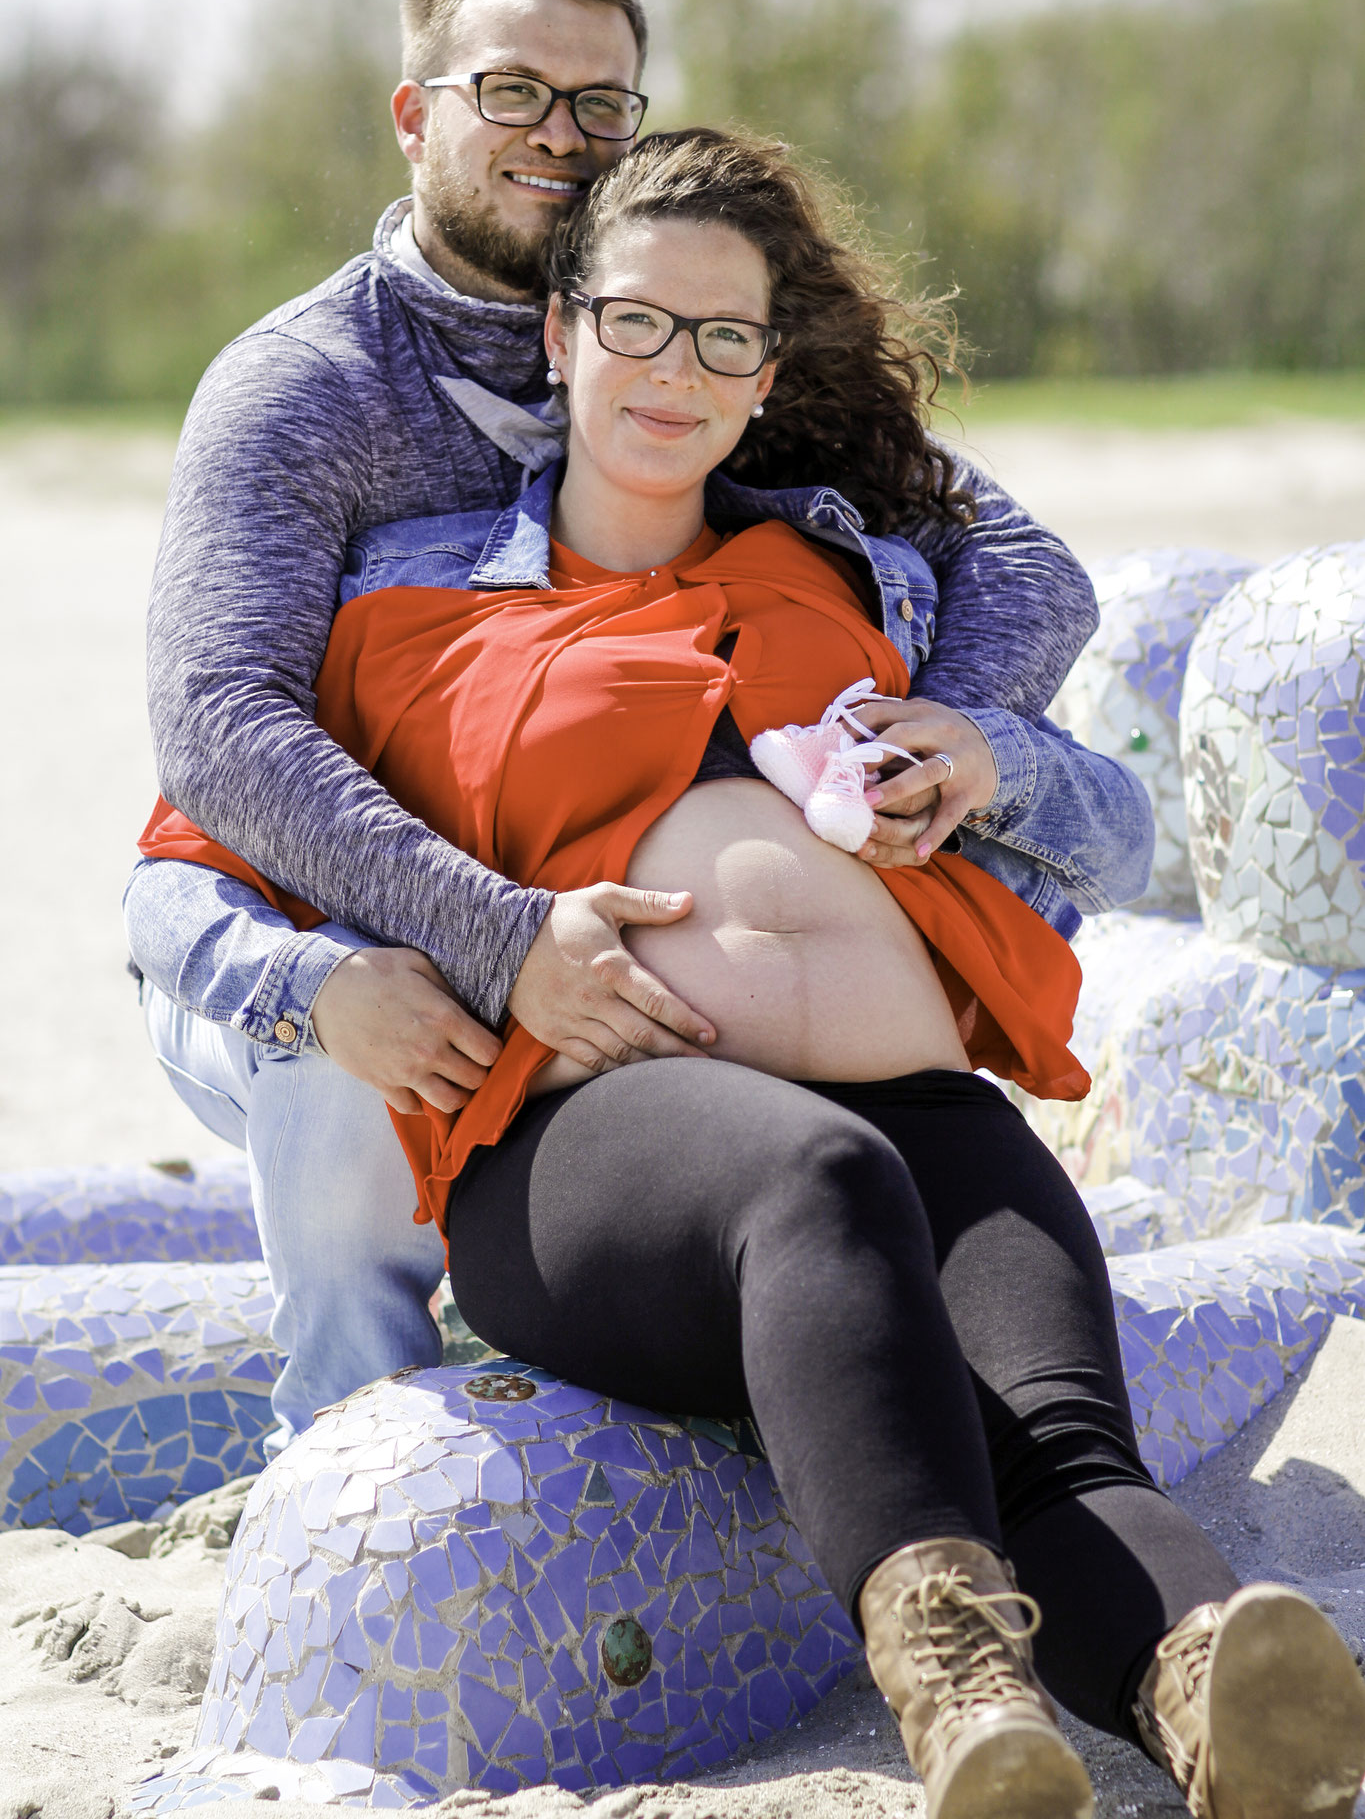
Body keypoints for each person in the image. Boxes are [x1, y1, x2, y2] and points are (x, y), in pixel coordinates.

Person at [139, 130, 1365, 1819]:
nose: (679, 369)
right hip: (589, 1155)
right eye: (638, 323)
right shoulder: (399, 615)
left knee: (1058, 1437)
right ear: (559, 335)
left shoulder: (857, 574)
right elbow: (191, 864)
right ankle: (950, 1696)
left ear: (766, 373)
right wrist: (383, 977)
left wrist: (991, 760)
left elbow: (1105, 816)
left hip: (917, 1099)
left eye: (726, 338)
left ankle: (1209, 1693)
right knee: (816, 1173)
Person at [124, 0, 1105, 1444]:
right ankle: (349, 1444)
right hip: (299, 931)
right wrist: (495, 943)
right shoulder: (306, 388)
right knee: (362, 1047)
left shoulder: (683, 340)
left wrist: (935, 732)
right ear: (415, 112)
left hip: (585, 952)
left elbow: (1025, 563)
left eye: (600, 101)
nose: (559, 137)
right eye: (511, 91)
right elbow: (217, 731)